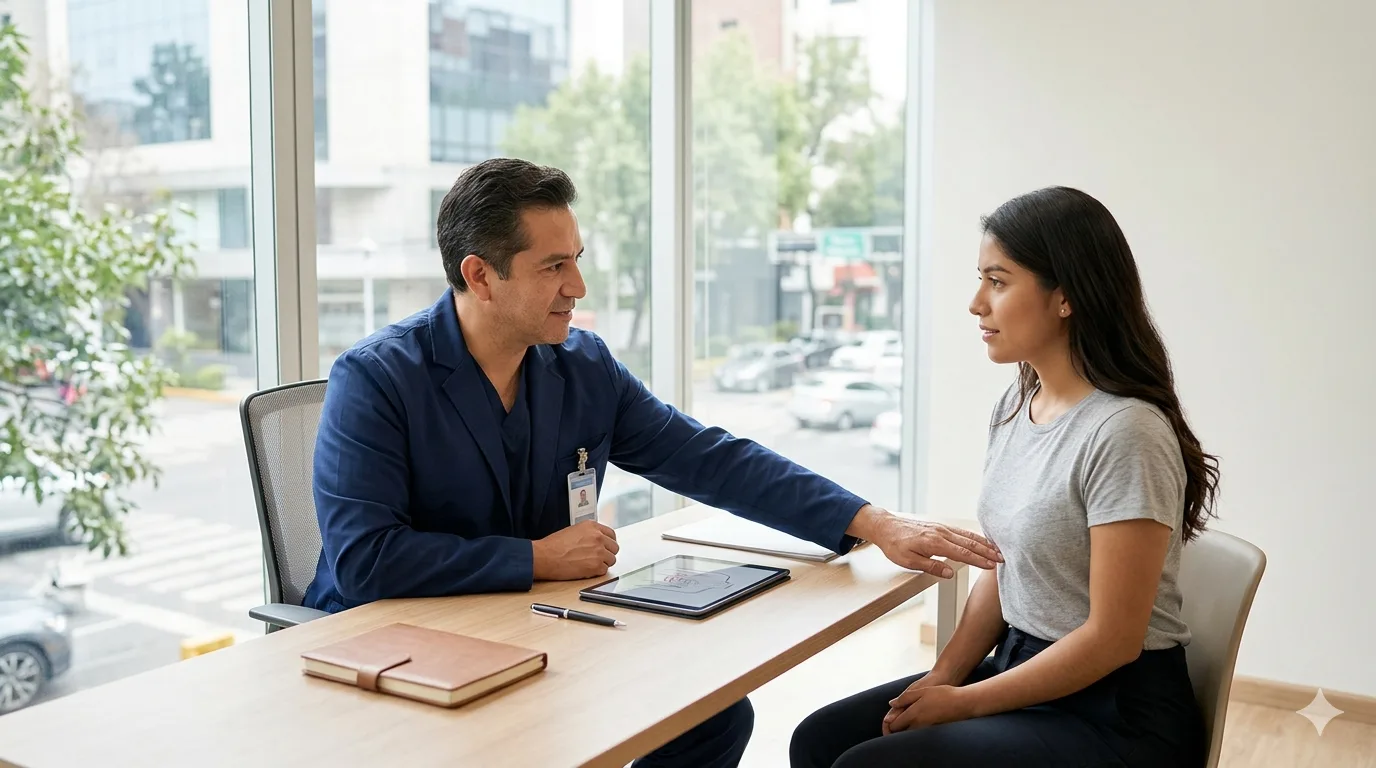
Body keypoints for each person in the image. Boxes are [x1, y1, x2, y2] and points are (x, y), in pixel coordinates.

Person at [303, 157, 1003, 768]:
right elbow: (366, 560)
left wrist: (870, 521)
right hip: (390, 650)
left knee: (715, 716)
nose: (578, 286)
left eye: (577, 258)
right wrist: (536, 559)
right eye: (554, 266)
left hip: (523, 631)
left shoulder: (582, 368)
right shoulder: (376, 380)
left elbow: (707, 458)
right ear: (480, 277)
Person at [790, 187, 1219, 767]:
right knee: (819, 739)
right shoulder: (1019, 405)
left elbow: (1114, 640)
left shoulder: (1126, 431)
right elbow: (1002, 564)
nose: (975, 303)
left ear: (1064, 298)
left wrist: (964, 704)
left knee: (867, 764)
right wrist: (945, 676)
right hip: (1023, 669)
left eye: (998, 280)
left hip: (1117, 714)